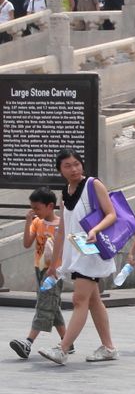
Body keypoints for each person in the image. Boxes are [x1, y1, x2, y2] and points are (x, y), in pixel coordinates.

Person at [37, 148, 118, 365]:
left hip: (93, 250)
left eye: (76, 164)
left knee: (79, 299)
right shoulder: (65, 193)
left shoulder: (93, 184)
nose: (74, 169)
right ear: (60, 170)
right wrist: (55, 264)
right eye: (67, 166)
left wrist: (95, 230)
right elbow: (62, 231)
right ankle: (108, 347)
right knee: (93, 301)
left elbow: (111, 214)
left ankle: (63, 349)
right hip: (77, 252)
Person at [9, 187, 68, 359]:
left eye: (37, 208)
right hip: (40, 269)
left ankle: (28, 342)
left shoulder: (61, 225)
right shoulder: (37, 223)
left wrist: (57, 268)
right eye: (32, 208)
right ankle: (67, 342)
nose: (34, 211)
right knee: (52, 305)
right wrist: (28, 221)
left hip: (55, 272)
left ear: (50, 206)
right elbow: (27, 243)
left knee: (44, 305)